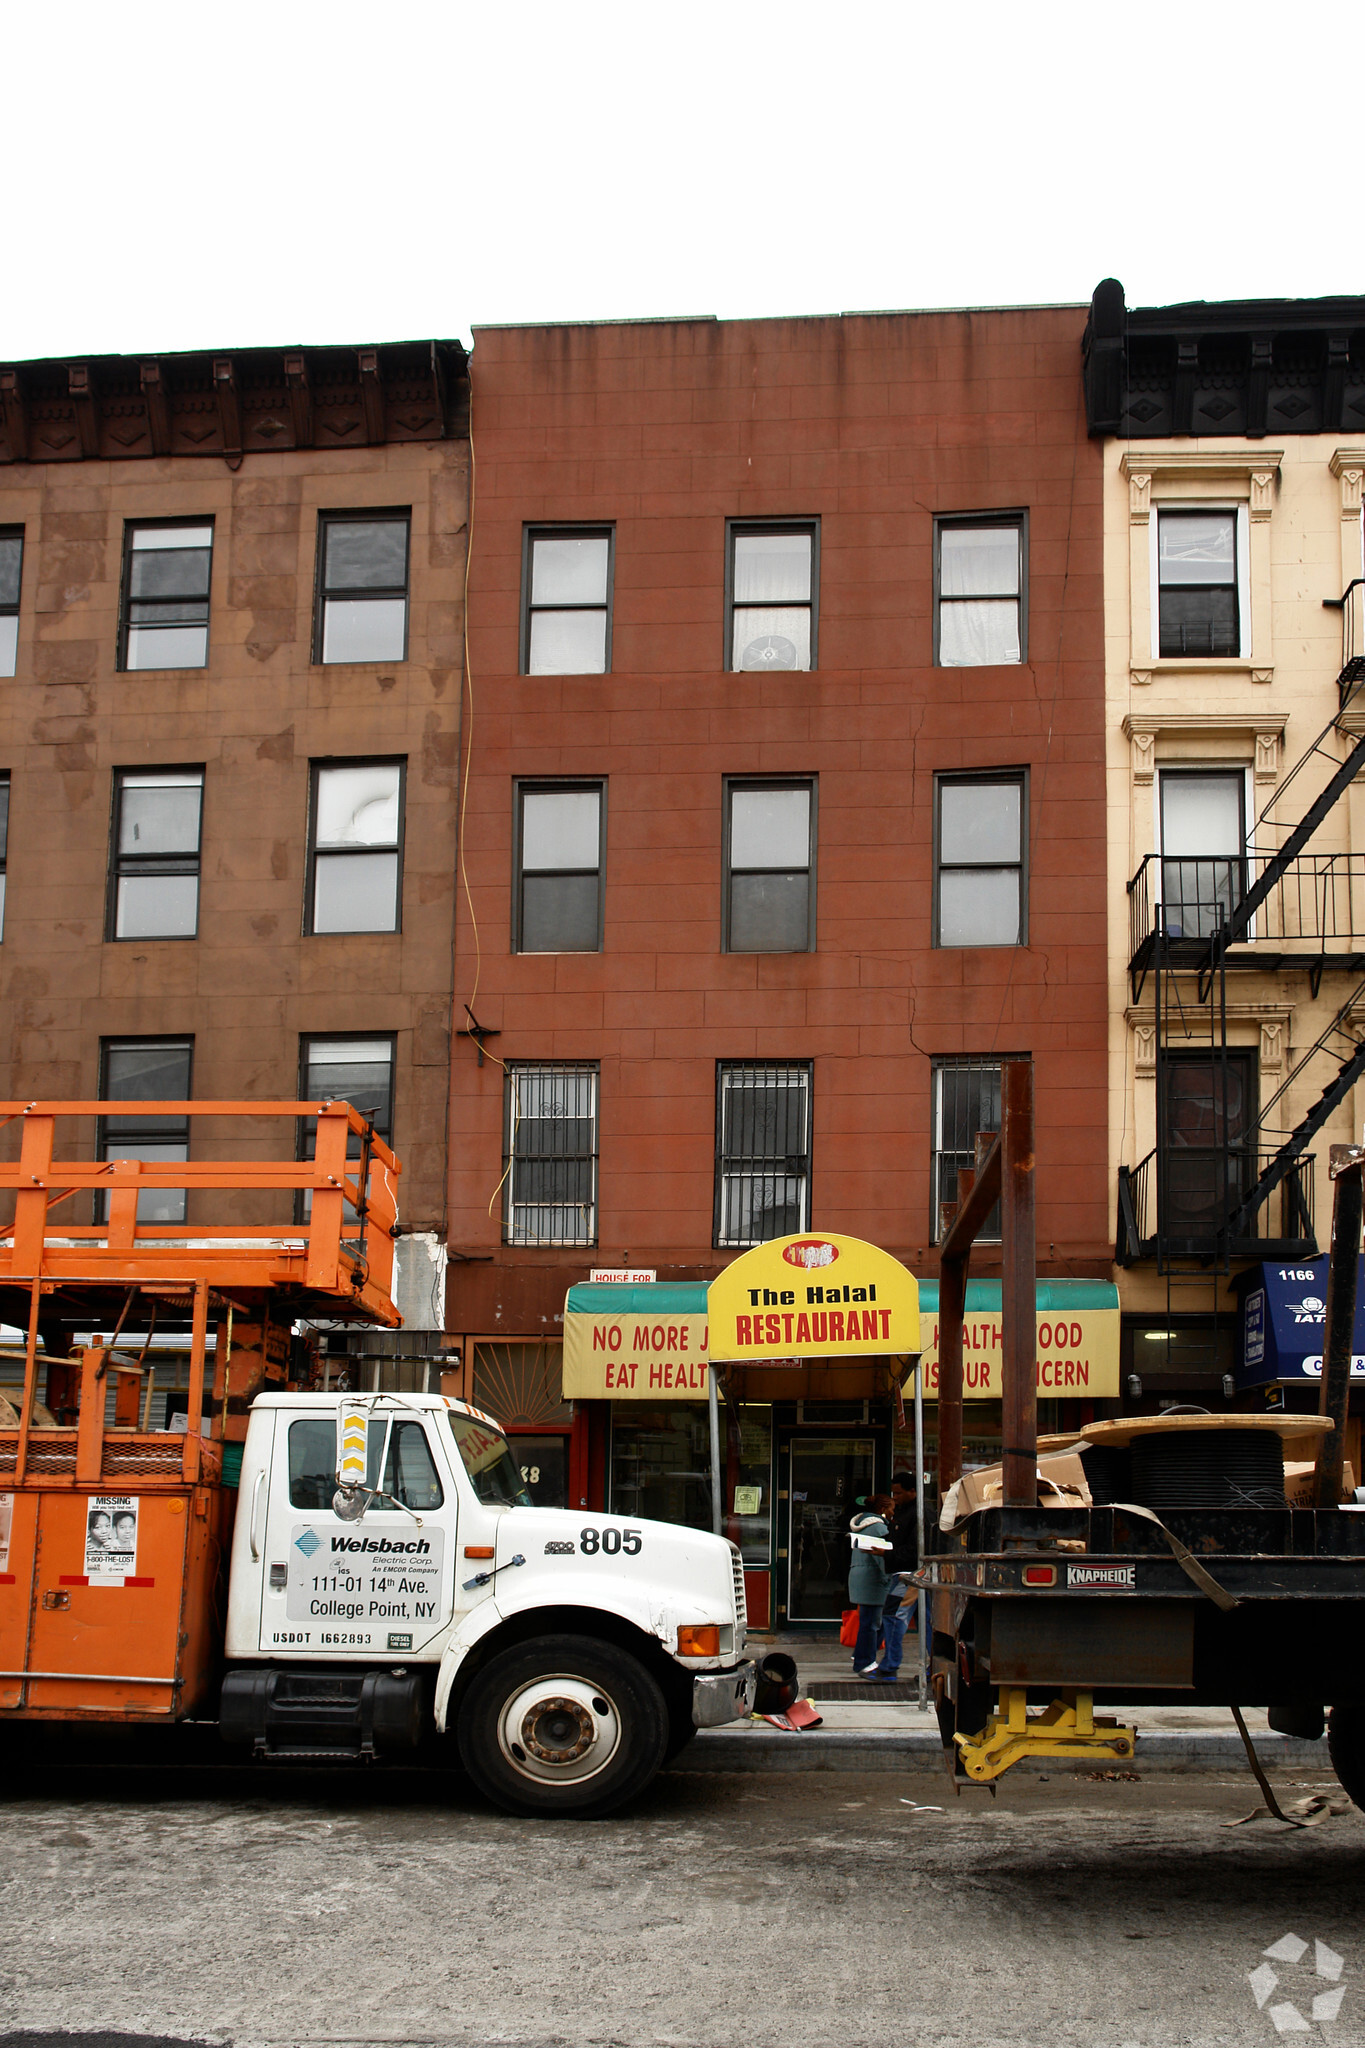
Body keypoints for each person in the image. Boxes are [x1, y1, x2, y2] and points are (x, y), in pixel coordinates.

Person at [872, 1470, 921, 1680]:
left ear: (913, 1491)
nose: (895, 1498)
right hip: (908, 1573)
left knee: (893, 1617)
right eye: (894, 1494)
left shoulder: (919, 1514)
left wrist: (886, 1552)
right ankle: (932, 1668)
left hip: (910, 1574)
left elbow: (915, 1549)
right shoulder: (903, 1512)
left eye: (899, 1493)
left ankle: (890, 1667)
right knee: (925, 1622)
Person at [847, 1494, 894, 1675]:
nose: (893, 1512)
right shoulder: (878, 1528)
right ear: (882, 1510)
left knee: (870, 1621)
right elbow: (881, 1557)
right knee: (872, 1623)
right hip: (873, 1580)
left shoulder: (861, 1525)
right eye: (891, 1508)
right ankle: (864, 1661)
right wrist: (888, 1578)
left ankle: (861, 1653)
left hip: (860, 1575)